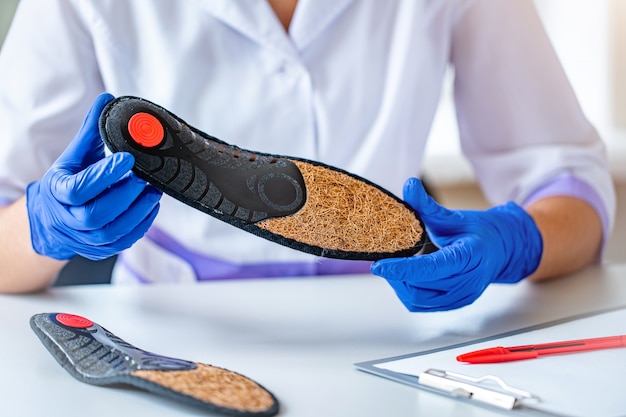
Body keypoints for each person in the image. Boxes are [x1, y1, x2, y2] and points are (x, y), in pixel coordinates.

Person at [0, 0, 614, 311]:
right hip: (171, 330)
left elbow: (569, 183)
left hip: (396, 321)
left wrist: (516, 241)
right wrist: (41, 226)